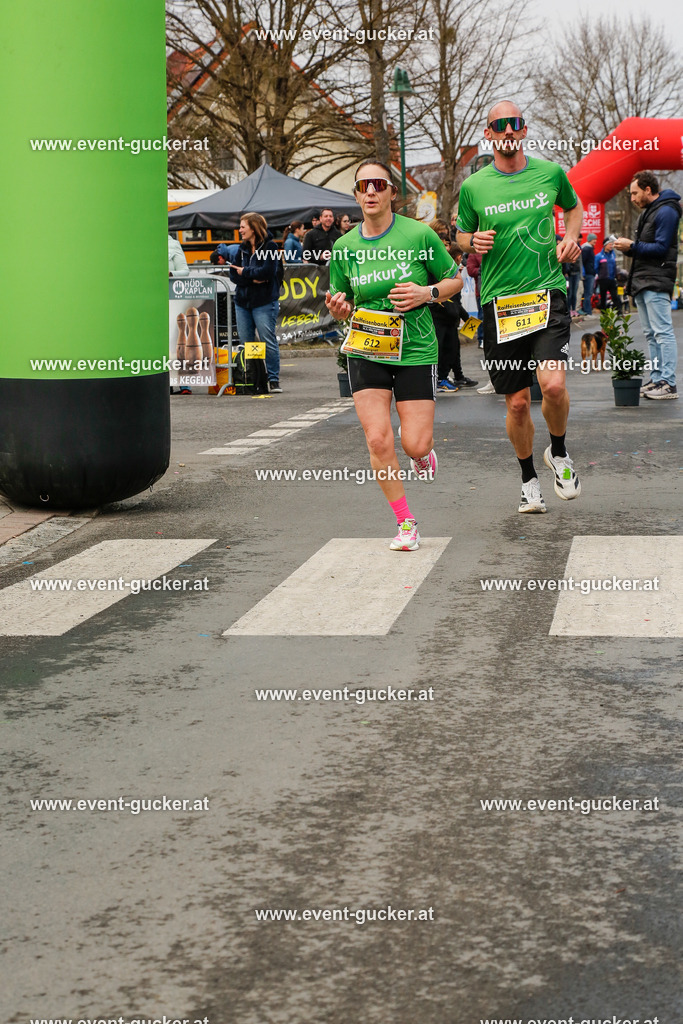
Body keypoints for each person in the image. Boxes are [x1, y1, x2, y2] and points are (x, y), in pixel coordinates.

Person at [326, 159, 461, 551]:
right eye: (363, 185)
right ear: (356, 195)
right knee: (377, 439)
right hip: (367, 347)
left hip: (415, 348)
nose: (371, 191)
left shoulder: (418, 234)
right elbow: (342, 301)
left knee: (415, 443)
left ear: (391, 192)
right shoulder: (344, 247)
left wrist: (426, 293)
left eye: (378, 184)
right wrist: (339, 309)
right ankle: (405, 522)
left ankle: (420, 453)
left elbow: (454, 279)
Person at [456, 100, 583, 514]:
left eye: (515, 124)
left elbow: (574, 207)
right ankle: (529, 479)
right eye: (499, 126)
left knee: (553, 386)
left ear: (524, 130)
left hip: (547, 294)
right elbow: (461, 235)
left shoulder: (550, 173)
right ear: (489, 134)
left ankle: (558, 452)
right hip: (501, 304)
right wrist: (472, 242)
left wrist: (571, 238)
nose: (508, 131)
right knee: (516, 403)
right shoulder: (475, 186)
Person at [615, 172, 681, 400]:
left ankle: (669, 383)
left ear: (648, 190)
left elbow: (661, 248)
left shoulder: (666, 211)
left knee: (662, 333)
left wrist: (632, 246)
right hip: (643, 280)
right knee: (652, 334)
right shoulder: (650, 212)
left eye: (635, 193)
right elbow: (646, 248)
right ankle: (657, 379)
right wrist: (628, 248)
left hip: (656, 279)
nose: (632, 198)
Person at [229, 212, 282, 393]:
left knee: (267, 340)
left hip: (264, 301)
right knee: (247, 342)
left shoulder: (270, 246)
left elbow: (268, 272)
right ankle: (254, 378)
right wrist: (252, 277)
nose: (240, 230)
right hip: (242, 302)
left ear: (253, 228)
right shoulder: (240, 248)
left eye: (242, 226)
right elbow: (233, 275)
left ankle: (273, 379)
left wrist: (245, 272)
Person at [429, 222, 477, 390]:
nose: (446, 247)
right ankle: (440, 378)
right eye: (442, 243)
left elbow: (456, 300)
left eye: (447, 243)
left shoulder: (451, 267)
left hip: (452, 316)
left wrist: (465, 318)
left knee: (453, 349)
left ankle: (457, 376)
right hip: (439, 315)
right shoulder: (432, 264)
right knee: (442, 349)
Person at [594, 237, 622, 313]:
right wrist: (600, 276)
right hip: (603, 280)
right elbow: (596, 268)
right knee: (603, 297)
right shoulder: (599, 256)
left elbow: (614, 266)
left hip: (612, 279)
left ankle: (619, 312)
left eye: (612, 244)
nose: (611, 246)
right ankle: (604, 313)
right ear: (605, 245)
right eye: (609, 244)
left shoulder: (613, 255)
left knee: (615, 296)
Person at [581, 233, 598, 314]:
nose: (595, 241)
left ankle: (588, 310)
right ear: (590, 240)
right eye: (594, 239)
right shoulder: (587, 249)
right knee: (588, 293)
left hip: (590, 273)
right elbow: (583, 262)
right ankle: (587, 311)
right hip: (588, 274)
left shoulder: (589, 248)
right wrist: (584, 273)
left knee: (588, 293)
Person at [566, 234, 582, 316]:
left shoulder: (579, 248)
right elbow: (566, 262)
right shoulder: (569, 247)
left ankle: (574, 309)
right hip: (570, 274)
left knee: (575, 293)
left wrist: (581, 274)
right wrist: (567, 271)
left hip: (577, 273)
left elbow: (580, 262)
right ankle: (569, 309)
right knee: (570, 293)